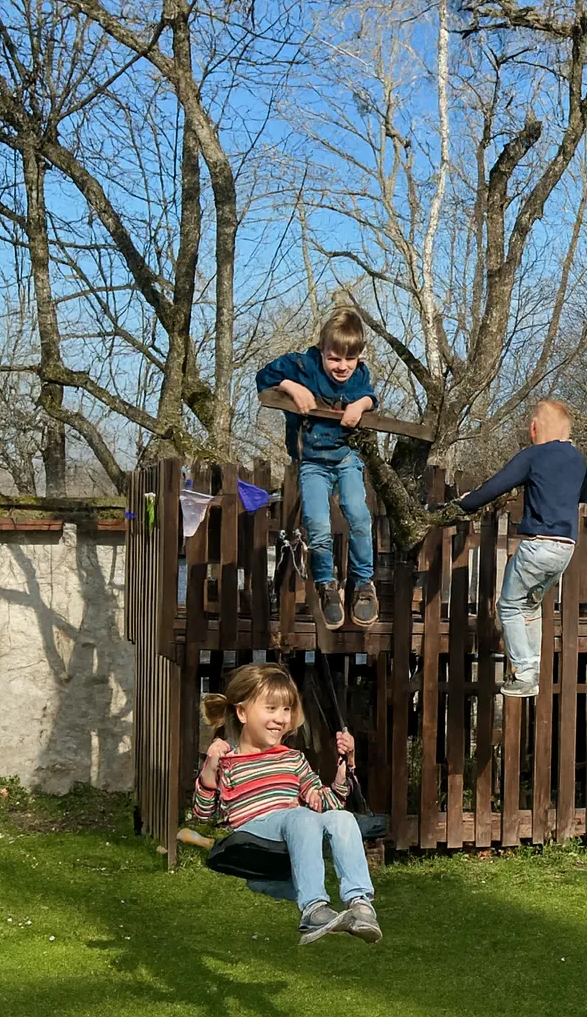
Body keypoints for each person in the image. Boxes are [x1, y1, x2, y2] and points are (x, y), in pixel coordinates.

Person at [193, 662, 381, 946]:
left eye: (286, 710)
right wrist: (209, 769)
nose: (280, 718)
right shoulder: (229, 761)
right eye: (271, 709)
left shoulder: (293, 759)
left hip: (294, 825)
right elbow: (204, 813)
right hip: (254, 833)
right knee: (301, 817)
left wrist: (345, 767)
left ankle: (360, 903)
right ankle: (313, 908)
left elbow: (325, 803)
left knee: (342, 818)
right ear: (242, 712)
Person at [455, 400, 587, 697]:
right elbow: (585, 494)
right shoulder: (578, 460)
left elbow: (497, 486)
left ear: (533, 429)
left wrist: (466, 502)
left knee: (509, 606)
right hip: (565, 548)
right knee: (529, 606)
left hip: (538, 545)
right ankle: (534, 667)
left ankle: (525, 673)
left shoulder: (533, 456)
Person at [256, 307, 380, 630]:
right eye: (334, 358)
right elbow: (263, 378)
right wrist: (291, 388)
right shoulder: (302, 366)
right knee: (317, 523)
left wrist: (360, 405)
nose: (342, 367)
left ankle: (363, 584)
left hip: (345, 459)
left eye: (349, 360)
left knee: (359, 514)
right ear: (322, 350)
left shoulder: (360, 375)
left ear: (358, 357)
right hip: (312, 461)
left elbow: (369, 397)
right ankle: (326, 584)